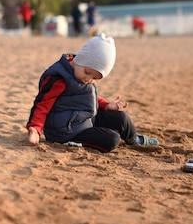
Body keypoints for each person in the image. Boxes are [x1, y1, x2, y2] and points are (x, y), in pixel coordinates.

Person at [26, 33, 159, 153]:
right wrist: (35, 129)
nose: (88, 79)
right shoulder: (59, 78)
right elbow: (42, 105)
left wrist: (106, 105)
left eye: (94, 78)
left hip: (85, 119)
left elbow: (86, 98)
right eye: (87, 73)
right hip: (66, 130)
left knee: (120, 118)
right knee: (111, 140)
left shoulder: (84, 76)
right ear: (80, 59)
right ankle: (72, 142)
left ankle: (134, 140)